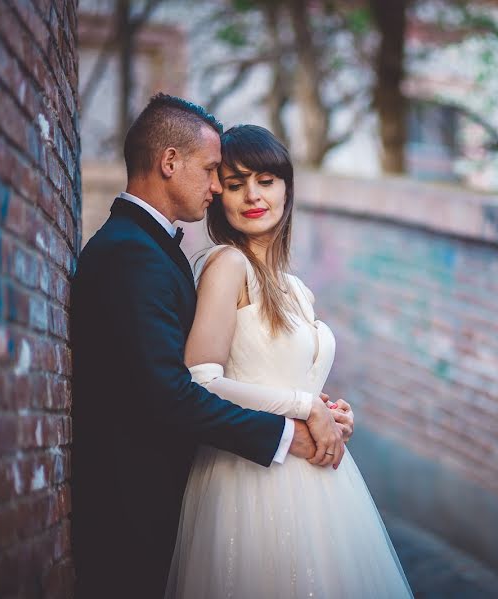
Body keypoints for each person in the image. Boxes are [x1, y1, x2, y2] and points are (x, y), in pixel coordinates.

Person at [71, 94, 333, 598]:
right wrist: (290, 428)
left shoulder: (151, 248)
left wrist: (324, 410)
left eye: (264, 180)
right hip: (139, 507)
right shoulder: (132, 254)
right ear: (170, 162)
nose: (219, 187)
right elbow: (172, 392)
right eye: (217, 172)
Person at [164, 124, 413, 598]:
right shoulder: (226, 266)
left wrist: (330, 413)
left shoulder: (294, 287)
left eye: (265, 181)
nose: (252, 196)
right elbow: (201, 381)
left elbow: (275, 374)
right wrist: (305, 406)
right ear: (218, 197)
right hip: (249, 478)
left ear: (286, 188)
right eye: (235, 185)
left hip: (317, 483)